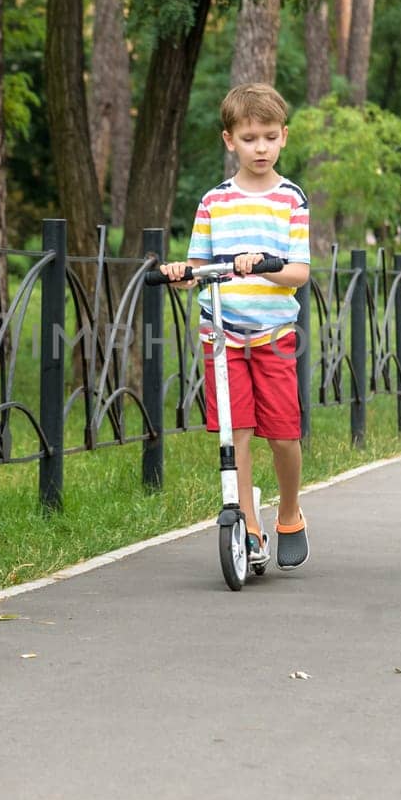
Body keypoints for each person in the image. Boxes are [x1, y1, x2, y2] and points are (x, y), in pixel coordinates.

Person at [158, 83, 312, 569]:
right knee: (235, 432)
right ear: (230, 141)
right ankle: (248, 525)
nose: (260, 147)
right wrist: (179, 274)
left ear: (283, 137)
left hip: (274, 337)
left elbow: (299, 272)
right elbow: (199, 265)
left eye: (269, 137)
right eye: (249, 138)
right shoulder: (213, 202)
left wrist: (263, 265)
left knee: (284, 435)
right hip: (221, 336)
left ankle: (289, 512)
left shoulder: (292, 200)